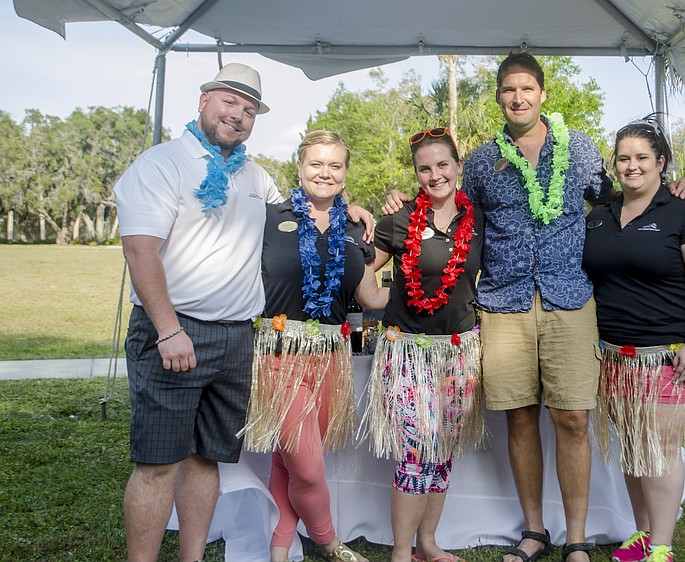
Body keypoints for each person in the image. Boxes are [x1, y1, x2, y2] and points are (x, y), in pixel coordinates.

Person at [383, 53, 685, 562]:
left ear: (542, 94)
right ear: (499, 98)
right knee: (521, 418)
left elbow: (620, 196)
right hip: (503, 302)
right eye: (509, 90)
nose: (518, 97)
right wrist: (398, 198)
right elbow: (446, 204)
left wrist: (671, 188)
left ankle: (576, 538)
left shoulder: (581, 149)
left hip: (569, 298)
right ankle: (533, 530)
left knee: (572, 419)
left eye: (527, 88)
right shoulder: (482, 161)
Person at [115, 64, 373, 562]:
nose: (237, 114)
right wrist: (167, 330)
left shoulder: (256, 178)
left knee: (206, 459)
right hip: (175, 332)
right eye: (229, 101)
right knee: (158, 463)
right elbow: (139, 251)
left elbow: (308, 214)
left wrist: (351, 207)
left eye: (249, 108)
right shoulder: (162, 164)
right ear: (203, 100)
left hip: (237, 339)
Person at [239, 130, 388, 562]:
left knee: (289, 461)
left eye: (335, 165)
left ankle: (280, 544)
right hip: (279, 355)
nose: (325, 173)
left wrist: (431, 289)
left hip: (331, 361)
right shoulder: (269, 217)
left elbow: (371, 297)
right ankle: (328, 541)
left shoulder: (356, 226)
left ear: (345, 173)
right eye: (316, 164)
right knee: (306, 466)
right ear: (300, 166)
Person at [582, 119, 685, 562]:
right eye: (624, 158)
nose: (632, 166)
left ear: (661, 162)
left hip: (666, 356)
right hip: (615, 357)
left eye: (642, 157)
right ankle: (643, 535)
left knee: (659, 448)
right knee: (633, 447)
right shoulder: (601, 214)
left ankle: (662, 546)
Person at [361, 128, 485, 562]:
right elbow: (364, 277)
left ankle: (427, 543)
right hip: (407, 352)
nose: (435, 175)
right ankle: (401, 552)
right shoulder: (399, 219)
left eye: (443, 165)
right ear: (415, 173)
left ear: (458, 166)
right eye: (424, 168)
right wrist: (385, 296)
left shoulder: (478, 219)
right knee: (415, 451)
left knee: (443, 449)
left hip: (459, 352)